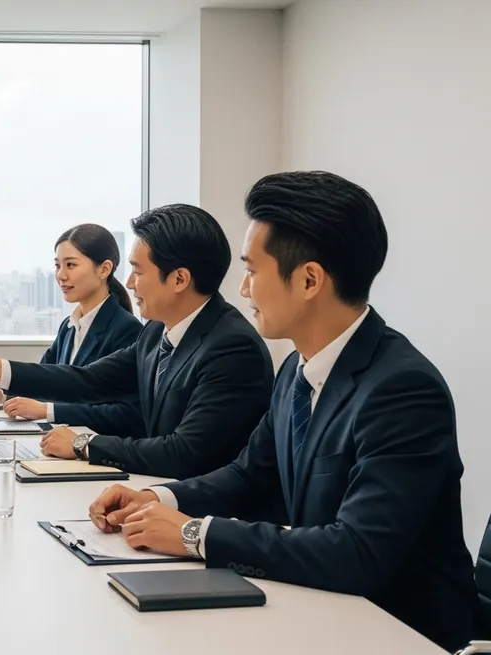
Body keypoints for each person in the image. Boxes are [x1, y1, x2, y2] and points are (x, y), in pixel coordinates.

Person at [88, 172, 474, 651]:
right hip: (317, 610)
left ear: (309, 279)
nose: (243, 290)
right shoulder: (296, 367)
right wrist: (158, 499)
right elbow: (249, 475)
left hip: (398, 632)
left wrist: (193, 534)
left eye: (252, 271)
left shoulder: (403, 389)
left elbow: (357, 552)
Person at [0, 204, 273, 479]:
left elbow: (184, 454)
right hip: (153, 489)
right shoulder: (156, 333)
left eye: (139, 271)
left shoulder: (232, 348)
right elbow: (88, 379)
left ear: (179, 279)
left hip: (198, 510)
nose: (130, 282)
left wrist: (83, 444)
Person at [0, 223, 144, 440]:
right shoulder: (69, 326)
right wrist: (5, 397)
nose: (61, 275)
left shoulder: (126, 329)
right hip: (58, 440)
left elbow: (122, 413)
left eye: (71, 265)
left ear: (104, 269)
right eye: (57, 266)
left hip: (90, 446)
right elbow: (46, 381)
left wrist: (47, 410)